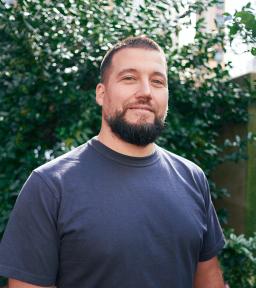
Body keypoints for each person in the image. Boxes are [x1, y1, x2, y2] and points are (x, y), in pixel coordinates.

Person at [0, 36, 225, 288]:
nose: (146, 92)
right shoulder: (50, 186)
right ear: (101, 93)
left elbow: (208, 279)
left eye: (157, 81)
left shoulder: (192, 178)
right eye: (129, 78)